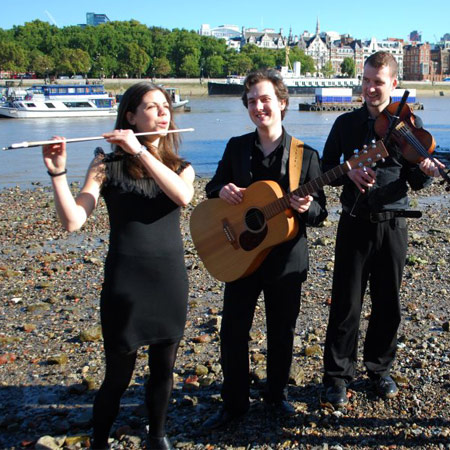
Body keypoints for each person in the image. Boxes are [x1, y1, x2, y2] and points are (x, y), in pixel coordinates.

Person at [42, 82, 195, 450]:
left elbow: (182, 196)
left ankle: (157, 436)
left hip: (168, 280)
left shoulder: (181, 168)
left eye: (165, 107)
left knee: (163, 369)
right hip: (125, 281)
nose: (162, 113)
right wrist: (57, 174)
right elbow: (73, 220)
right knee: (118, 375)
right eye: (152, 107)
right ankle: (99, 440)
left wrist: (140, 150)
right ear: (129, 115)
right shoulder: (105, 164)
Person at [202, 69, 328, 430]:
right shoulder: (236, 148)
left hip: (286, 260)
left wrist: (308, 209)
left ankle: (276, 396)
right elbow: (213, 188)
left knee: (282, 330)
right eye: (253, 101)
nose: (259, 107)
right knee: (233, 331)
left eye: (266, 99)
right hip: (240, 253)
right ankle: (234, 403)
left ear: (282, 103)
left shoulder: (305, 156)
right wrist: (220, 191)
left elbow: (321, 213)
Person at [321, 51, 444, 408]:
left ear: (393, 84)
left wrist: (426, 168)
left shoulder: (410, 125)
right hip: (354, 222)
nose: (370, 88)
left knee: (388, 303)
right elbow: (326, 167)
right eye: (366, 80)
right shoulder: (344, 124)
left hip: (393, 222)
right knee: (345, 304)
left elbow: (416, 184)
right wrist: (349, 171)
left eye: (378, 81)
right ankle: (337, 377)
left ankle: (379, 369)